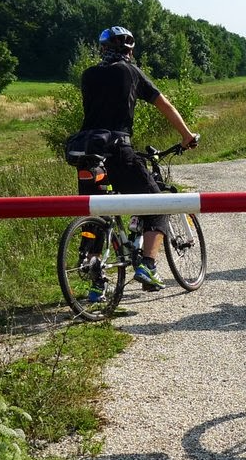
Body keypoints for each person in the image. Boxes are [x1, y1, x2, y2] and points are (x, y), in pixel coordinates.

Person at [79, 25, 198, 291]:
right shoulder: (130, 71)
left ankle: (97, 282)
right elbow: (163, 103)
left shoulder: (88, 75)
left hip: (88, 155)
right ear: (129, 50)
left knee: (98, 214)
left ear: (103, 49)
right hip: (119, 150)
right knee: (158, 204)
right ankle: (148, 265)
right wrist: (186, 135)